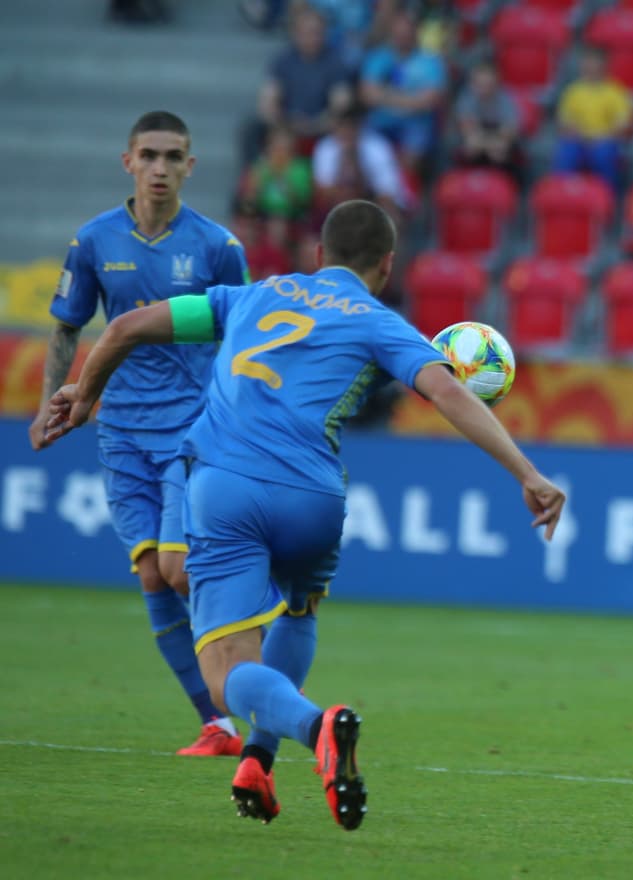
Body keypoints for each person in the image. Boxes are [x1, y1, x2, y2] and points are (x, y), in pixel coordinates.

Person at [38, 200, 567, 830]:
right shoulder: (381, 322)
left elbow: (124, 329)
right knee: (299, 608)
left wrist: (84, 395)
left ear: (319, 255)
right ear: (388, 266)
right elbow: (449, 390)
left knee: (225, 675)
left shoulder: (247, 297)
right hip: (313, 499)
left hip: (226, 487)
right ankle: (258, 760)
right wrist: (528, 474)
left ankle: (318, 727)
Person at [27, 111, 251, 757]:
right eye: (149, 155)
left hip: (191, 429)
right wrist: (52, 405)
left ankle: (257, 604)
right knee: (153, 576)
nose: (160, 167)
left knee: (178, 570)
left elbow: (245, 338)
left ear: (190, 166)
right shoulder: (94, 240)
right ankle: (220, 725)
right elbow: (67, 326)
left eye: (172, 156)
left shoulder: (217, 249)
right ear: (128, 162)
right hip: (121, 430)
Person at [247, 4, 353, 162]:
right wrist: (284, 123)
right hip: (288, 125)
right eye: (306, 32)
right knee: (251, 130)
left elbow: (341, 105)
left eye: (316, 32)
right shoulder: (283, 61)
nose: (311, 37)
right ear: (295, 33)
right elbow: (268, 100)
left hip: (323, 127)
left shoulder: (335, 62)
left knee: (344, 131)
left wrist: (315, 125)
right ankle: (254, 181)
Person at [359, 8, 448, 176]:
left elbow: (429, 101)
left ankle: (406, 195)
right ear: (392, 33)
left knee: (414, 145)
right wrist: (411, 99)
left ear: (415, 33)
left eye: (406, 33)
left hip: (416, 123)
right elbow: (367, 96)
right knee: (363, 145)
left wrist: (385, 96)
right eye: (398, 33)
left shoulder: (430, 61)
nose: (402, 37)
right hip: (381, 121)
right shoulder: (378, 57)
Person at [553, 45, 633, 195]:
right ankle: (562, 195)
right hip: (579, 140)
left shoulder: (616, 92)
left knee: (603, 153)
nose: (591, 67)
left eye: (595, 62)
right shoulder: (572, 92)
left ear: (604, 65)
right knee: (567, 151)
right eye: (587, 62)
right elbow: (564, 122)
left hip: (605, 141)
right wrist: (578, 135)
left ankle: (607, 199)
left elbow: (622, 125)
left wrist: (600, 137)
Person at [454, 60, 524, 183]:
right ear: (472, 84)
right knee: (470, 149)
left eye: (488, 84)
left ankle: (502, 187)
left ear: (496, 84)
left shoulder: (506, 100)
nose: (484, 89)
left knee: (499, 152)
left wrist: (490, 143)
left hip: (498, 140)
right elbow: (468, 130)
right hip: (480, 138)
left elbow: (508, 133)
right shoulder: (466, 99)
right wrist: (488, 143)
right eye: (479, 84)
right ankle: (469, 185)